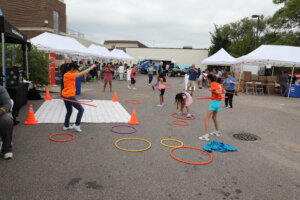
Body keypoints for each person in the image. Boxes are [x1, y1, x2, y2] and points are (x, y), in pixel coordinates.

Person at [62, 63, 96, 132]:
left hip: (65, 96)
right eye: (75, 70)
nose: (76, 71)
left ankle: (66, 126)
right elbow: (82, 73)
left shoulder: (67, 74)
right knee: (81, 110)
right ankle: (77, 125)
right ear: (72, 69)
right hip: (70, 96)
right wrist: (91, 67)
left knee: (69, 111)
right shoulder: (70, 75)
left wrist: (83, 65)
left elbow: (78, 70)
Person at [199, 74, 224, 141]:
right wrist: (214, 91)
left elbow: (216, 91)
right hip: (218, 103)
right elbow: (223, 91)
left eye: (207, 79)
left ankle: (206, 135)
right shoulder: (219, 84)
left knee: (206, 118)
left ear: (210, 79)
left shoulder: (213, 84)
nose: (207, 80)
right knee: (214, 118)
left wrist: (211, 89)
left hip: (215, 102)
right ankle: (217, 132)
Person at [0, 86, 14, 160]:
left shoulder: (1, 89)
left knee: (6, 121)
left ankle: (6, 148)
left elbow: (7, 105)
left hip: (1, 114)